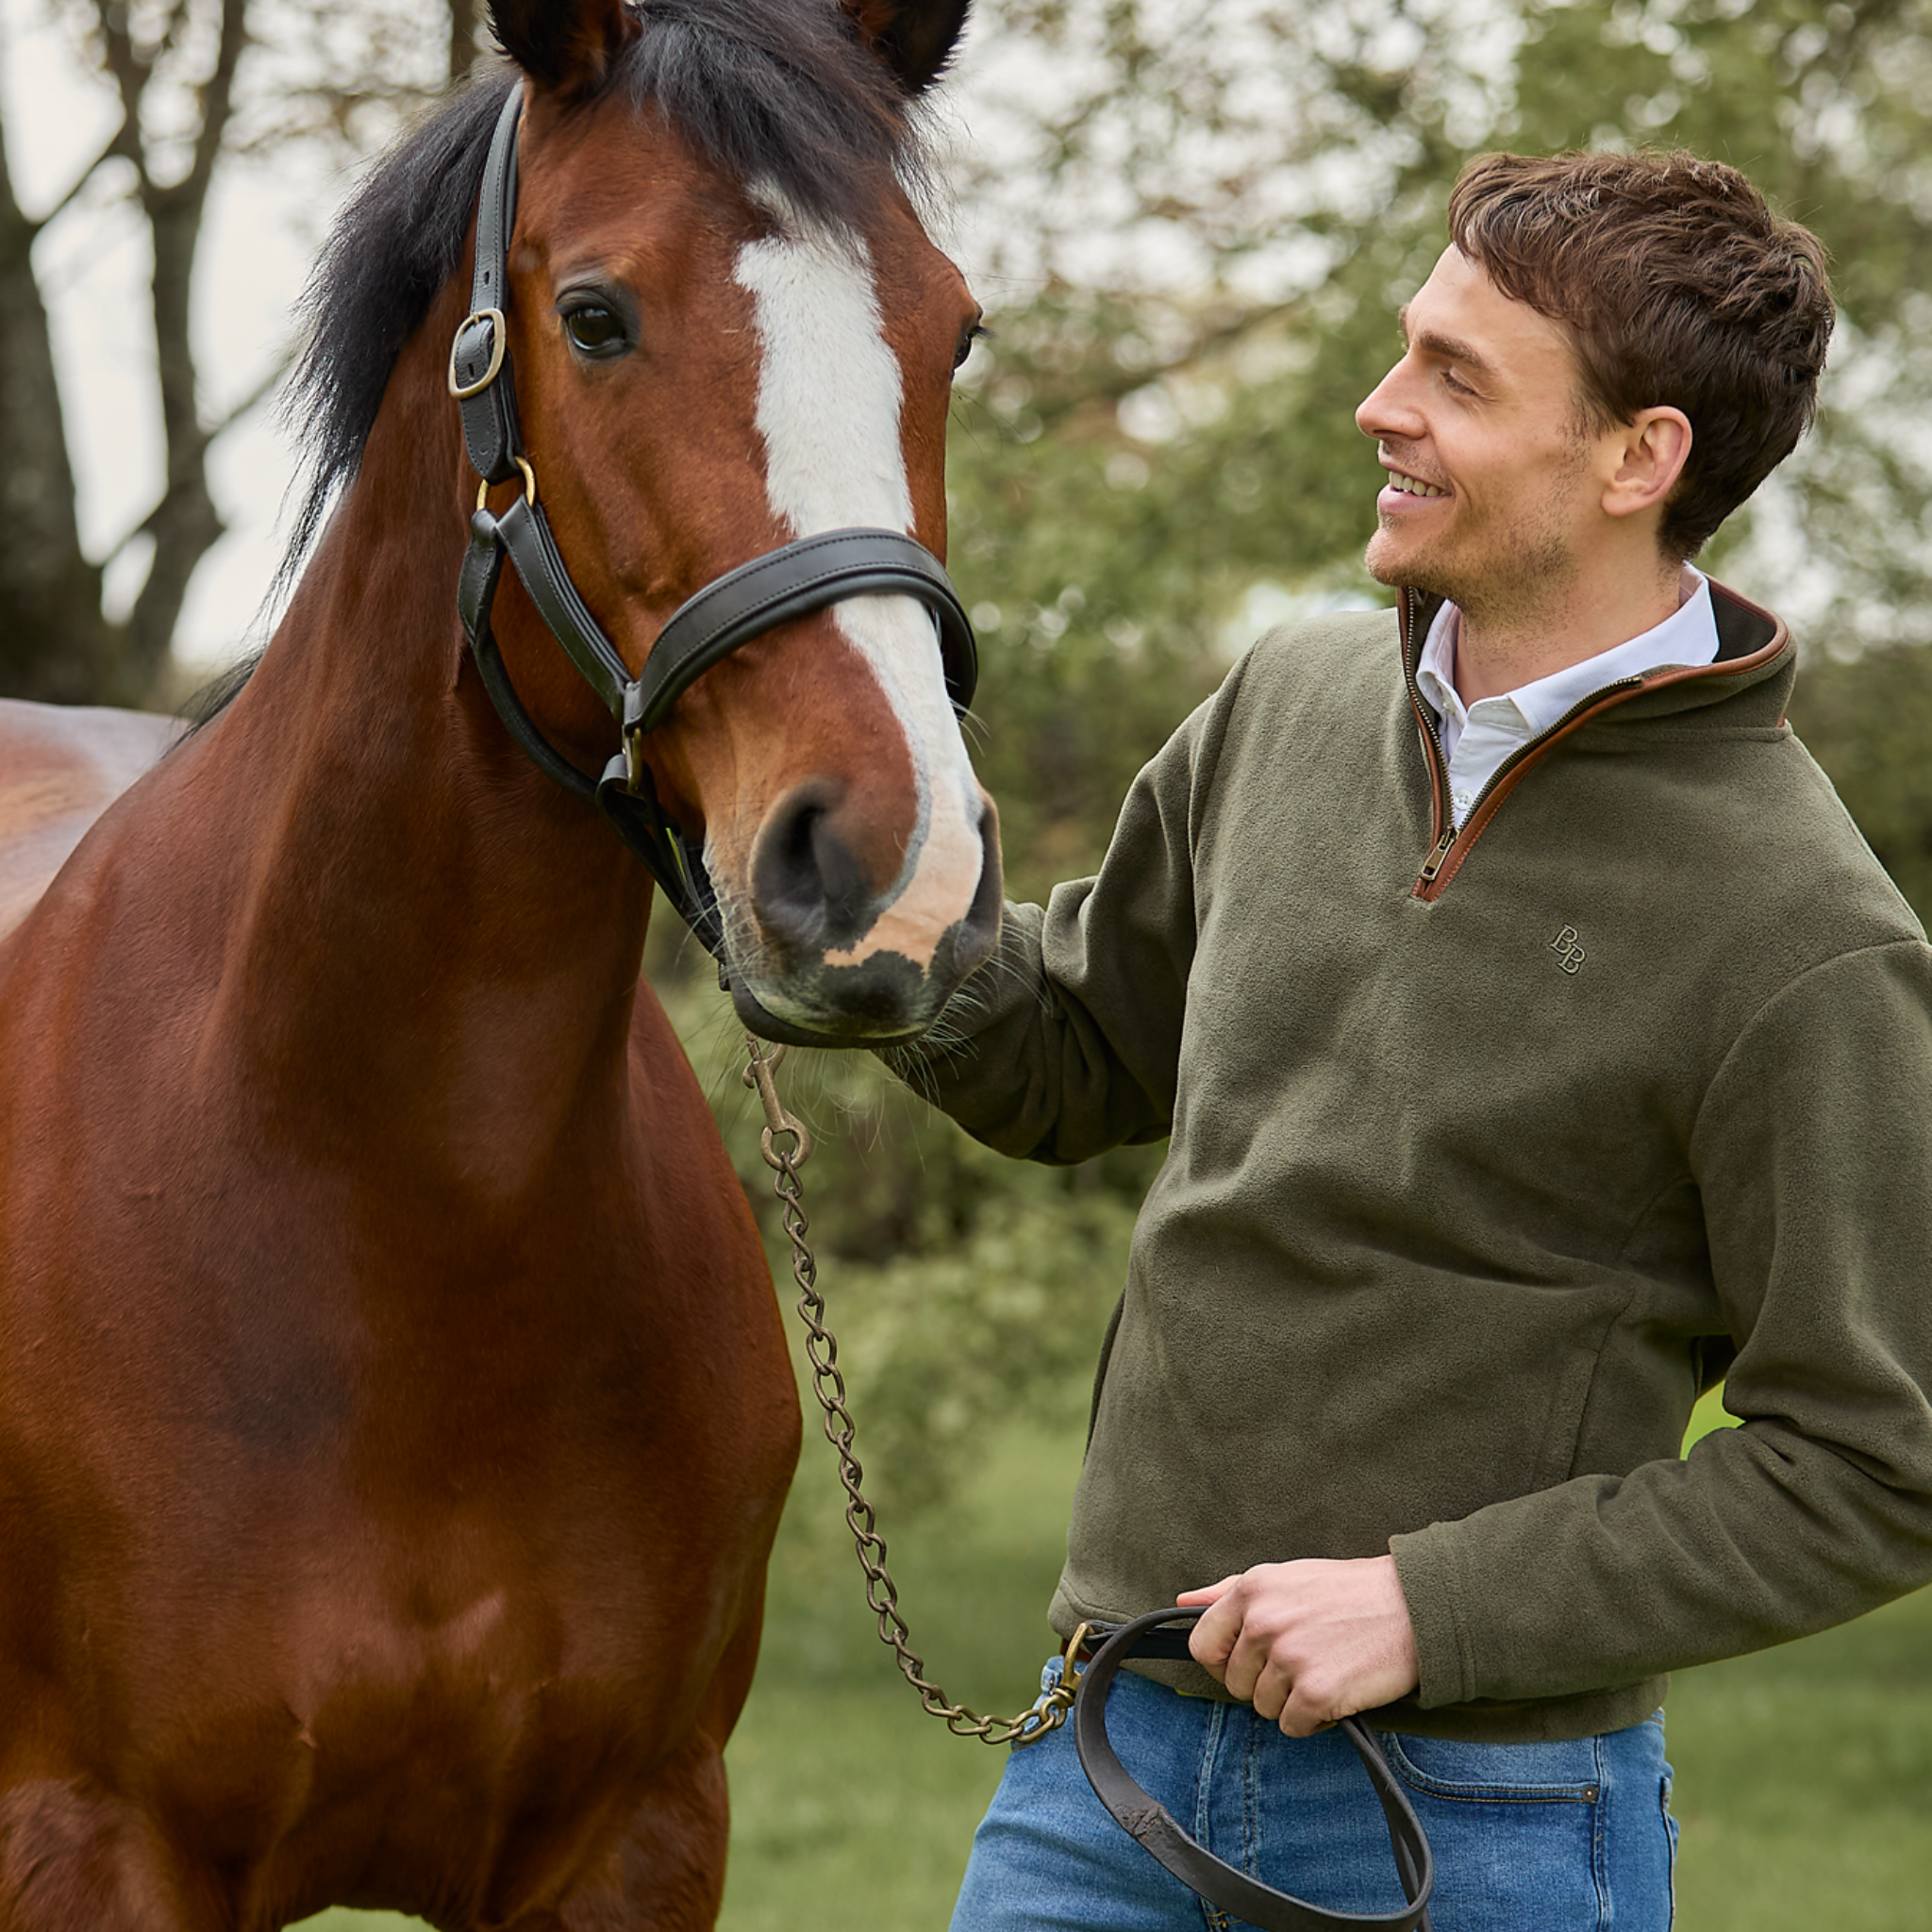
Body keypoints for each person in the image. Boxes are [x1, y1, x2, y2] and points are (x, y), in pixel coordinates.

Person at [898, 149, 1932, 1930]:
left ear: (1639, 457)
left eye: (1458, 379)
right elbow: (1070, 1059)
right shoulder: (1283, 703)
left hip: (1484, 1825)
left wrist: (1428, 1609)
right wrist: (892, 934)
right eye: (1409, 351)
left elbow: (1872, 1462)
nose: (1383, 410)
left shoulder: (1807, 934)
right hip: (1105, 1764)